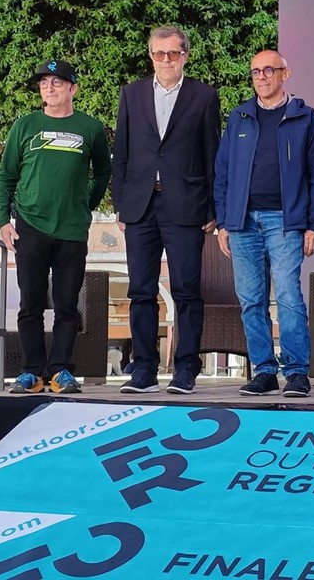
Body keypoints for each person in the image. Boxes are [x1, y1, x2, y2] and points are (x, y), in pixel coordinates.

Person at [112, 26, 220, 395]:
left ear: (185, 55)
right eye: (159, 53)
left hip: (186, 205)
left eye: (173, 53)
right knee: (141, 291)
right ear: (151, 56)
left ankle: (186, 368)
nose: (166, 60)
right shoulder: (132, 94)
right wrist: (121, 204)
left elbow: (212, 154)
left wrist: (213, 206)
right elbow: (121, 153)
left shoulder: (204, 96)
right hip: (140, 206)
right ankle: (144, 369)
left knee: (187, 290)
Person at [215, 49, 314, 398]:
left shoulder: (305, 117)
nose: (261, 77)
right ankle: (264, 371)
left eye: (269, 70)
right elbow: (223, 172)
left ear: (285, 74)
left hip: (286, 221)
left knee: (289, 296)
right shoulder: (240, 117)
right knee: (251, 300)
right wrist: (223, 222)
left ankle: (297, 372)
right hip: (242, 222)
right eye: (256, 72)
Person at [0, 60, 111, 394]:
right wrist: (3, 221)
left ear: (73, 88)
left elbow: (103, 172)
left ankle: (60, 370)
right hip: (30, 227)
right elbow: (5, 176)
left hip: (72, 230)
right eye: (44, 83)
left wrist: (85, 204)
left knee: (67, 305)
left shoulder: (90, 128)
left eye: (57, 82)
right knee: (30, 304)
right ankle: (31, 372)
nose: (49, 88)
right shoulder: (25, 126)